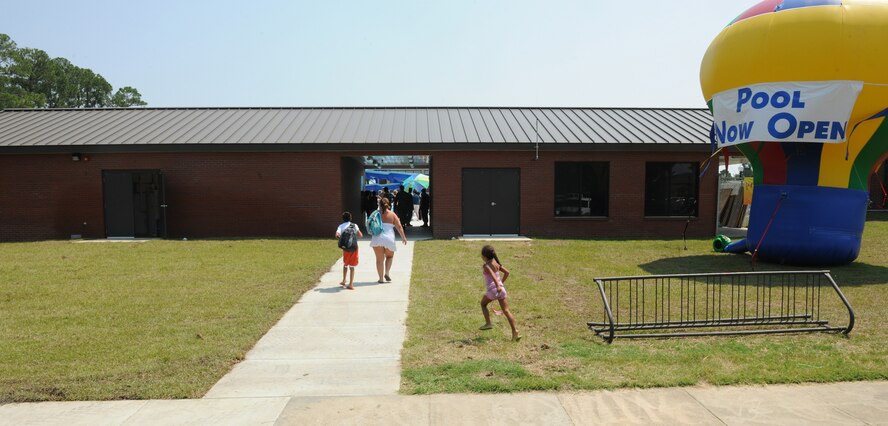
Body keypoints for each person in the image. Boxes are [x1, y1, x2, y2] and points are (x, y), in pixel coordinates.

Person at [478, 245, 520, 341]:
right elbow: (507, 272)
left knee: (483, 304)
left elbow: (493, 275)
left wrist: (497, 285)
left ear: (484, 256)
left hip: (494, 290)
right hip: (502, 289)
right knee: (506, 311)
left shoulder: (486, 265)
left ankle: (488, 323)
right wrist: (501, 284)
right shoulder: (496, 263)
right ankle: (515, 331)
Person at [369, 197, 407, 283]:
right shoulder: (392, 214)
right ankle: (387, 273)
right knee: (389, 257)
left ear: (379, 204)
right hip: (389, 238)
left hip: (377, 238)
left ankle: (381, 279)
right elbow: (399, 226)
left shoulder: (375, 214)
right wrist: (403, 237)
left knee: (379, 260)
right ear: (388, 204)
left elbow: (369, 223)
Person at [335, 211, 363, 290]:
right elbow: (360, 235)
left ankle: (344, 280)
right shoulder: (354, 225)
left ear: (342, 218)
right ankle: (351, 284)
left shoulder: (341, 226)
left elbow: (337, 235)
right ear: (350, 218)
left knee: (345, 264)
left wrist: (342, 239)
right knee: (352, 266)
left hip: (346, 248)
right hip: (354, 247)